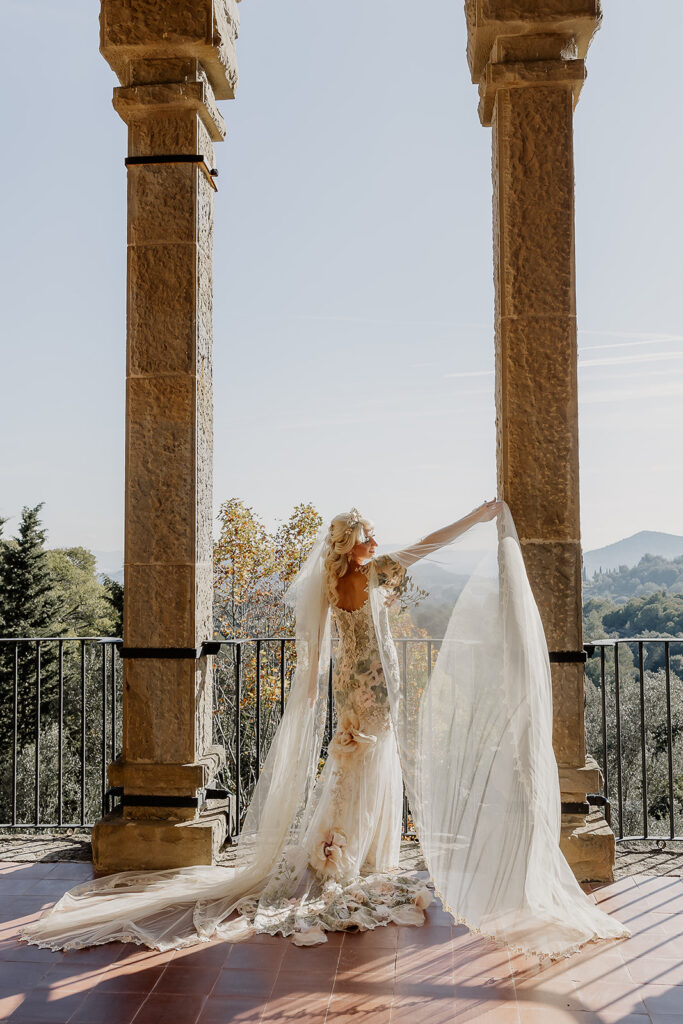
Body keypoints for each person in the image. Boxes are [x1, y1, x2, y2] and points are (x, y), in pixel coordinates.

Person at [21, 500, 629, 957]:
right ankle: (351, 858)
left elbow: (317, 655)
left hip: (352, 692)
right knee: (366, 766)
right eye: (368, 535)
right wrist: (479, 515)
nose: (376, 541)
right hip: (375, 693)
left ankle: (345, 851)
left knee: (351, 768)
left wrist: (310, 694)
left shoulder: (333, 585)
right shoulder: (371, 574)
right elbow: (427, 546)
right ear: (354, 544)